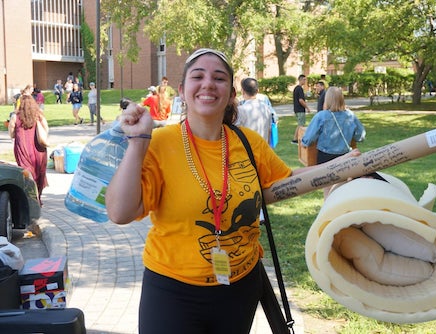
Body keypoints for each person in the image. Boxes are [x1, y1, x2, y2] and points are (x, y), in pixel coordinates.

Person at [106, 48, 358, 333]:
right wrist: (139, 141)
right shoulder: (160, 143)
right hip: (173, 290)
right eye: (198, 76)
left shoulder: (247, 142)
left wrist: (344, 165)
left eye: (219, 78)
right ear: (181, 90)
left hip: (240, 287)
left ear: (231, 92)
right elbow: (120, 212)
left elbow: (286, 181)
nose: (208, 84)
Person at [301, 86, 366, 199]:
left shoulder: (321, 116)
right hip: (345, 156)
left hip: (325, 157)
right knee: (343, 189)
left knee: (328, 190)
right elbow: (361, 136)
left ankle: (329, 213)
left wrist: (303, 142)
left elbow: (308, 138)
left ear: (327, 100)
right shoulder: (350, 115)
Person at [8, 93, 48, 205]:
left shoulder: (15, 116)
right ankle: (38, 197)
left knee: (27, 173)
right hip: (38, 149)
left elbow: (11, 134)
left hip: (23, 149)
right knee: (39, 173)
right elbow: (46, 129)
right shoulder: (38, 115)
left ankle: (29, 198)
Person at [236, 77, 276, 144]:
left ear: (242, 91)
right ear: (257, 91)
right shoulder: (266, 108)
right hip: (263, 148)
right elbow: (269, 131)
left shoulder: (241, 110)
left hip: (247, 150)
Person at [291, 74, 311, 144]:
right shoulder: (299, 88)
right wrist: (307, 107)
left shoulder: (296, 88)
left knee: (300, 124)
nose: (305, 81)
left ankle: (296, 139)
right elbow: (301, 100)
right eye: (304, 79)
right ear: (300, 80)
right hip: (300, 109)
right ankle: (295, 139)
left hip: (297, 109)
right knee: (301, 125)